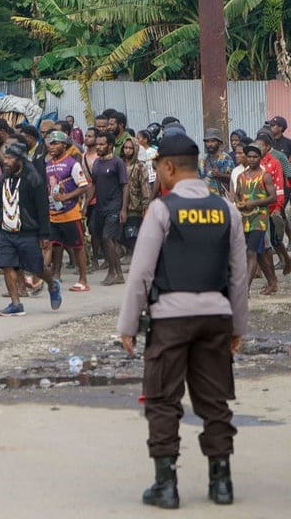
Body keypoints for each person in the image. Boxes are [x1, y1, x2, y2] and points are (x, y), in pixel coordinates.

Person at [117, 132, 247, 509]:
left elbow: (141, 273)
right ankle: (221, 482)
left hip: (171, 318)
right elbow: (239, 276)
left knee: (162, 398)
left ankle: (166, 485)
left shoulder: (162, 209)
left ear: (169, 167)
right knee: (215, 399)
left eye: (158, 167)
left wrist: (127, 326)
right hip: (215, 317)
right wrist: (238, 326)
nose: (158, 174)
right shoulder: (227, 209)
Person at [0, 144, 62, 316]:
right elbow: (1, 206)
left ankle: (52, 285)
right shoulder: (4, 179)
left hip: (28, 232)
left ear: (20, 160)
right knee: (7, 266)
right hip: (6, 232)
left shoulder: (34, 180)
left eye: (10, 159)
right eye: (6, 158)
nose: (6, 162)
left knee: (37, 267)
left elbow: (42, 208)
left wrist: (44, 234)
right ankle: (15, 303)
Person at [44, 131, 91, 291]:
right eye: (50, 143)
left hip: (70, 212)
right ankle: (56, 275)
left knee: (78, 246)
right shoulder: (49, 164)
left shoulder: (72, 163)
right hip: (53, 212)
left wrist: (66, 197)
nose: (52, 147)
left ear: (64, 145)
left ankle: (83, 280)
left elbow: (84, 186)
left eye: (55, 143)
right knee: (55, 245)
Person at [235, 144, 279, 295]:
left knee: (251, 252)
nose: (252, 159)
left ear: (260, 158)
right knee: (258, 255)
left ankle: (245, 289)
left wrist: (253, 203)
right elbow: (237, 195)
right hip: (245, 218)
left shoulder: (265, 175)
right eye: (250, 156)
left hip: (259, 218)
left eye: (255, 157)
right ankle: (273, 282)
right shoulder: (241, 176)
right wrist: (238, 204)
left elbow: (273, 197)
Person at [89, 132, 128, 285]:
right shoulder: (97, 163)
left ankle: (116, 273)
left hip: (114, 207)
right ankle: (114, 272)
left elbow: (125, 186)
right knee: (101, 239)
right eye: (97, 144)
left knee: (108, 238)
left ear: (110, 145)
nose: (98, 147)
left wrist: (123, 209)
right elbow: (93, 184)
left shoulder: (117, 163)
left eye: (101, 144)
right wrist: (85, 204)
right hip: (99, 208)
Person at [254, 131, 291, 273]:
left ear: (268, 146)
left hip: (273, 206)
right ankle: (269, 275)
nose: (257, 149)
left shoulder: (275, 162)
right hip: (258, 208)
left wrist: (278, 207)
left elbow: (279, 187)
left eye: (260, 146)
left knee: (275, 240)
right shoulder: (255, 162)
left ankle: (286, 261)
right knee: (264, 241)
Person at [120, 136, 152, 253]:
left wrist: (146, 205)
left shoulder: (140, 166)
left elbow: (145, 186)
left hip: (135, 205)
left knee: (133, 233)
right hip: (120, 203)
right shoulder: (119, 164)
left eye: (130, 148)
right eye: (125, 148)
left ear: (136, 150)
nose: (127, 150)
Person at [200, 129, 235, 197]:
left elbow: (234, 179)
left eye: (213, 141)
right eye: (207, 141)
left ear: (219, 142)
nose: (210, 144)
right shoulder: (202, 160)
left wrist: (220, 175)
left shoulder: (226, 159)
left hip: (222, 199)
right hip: (204, 199)